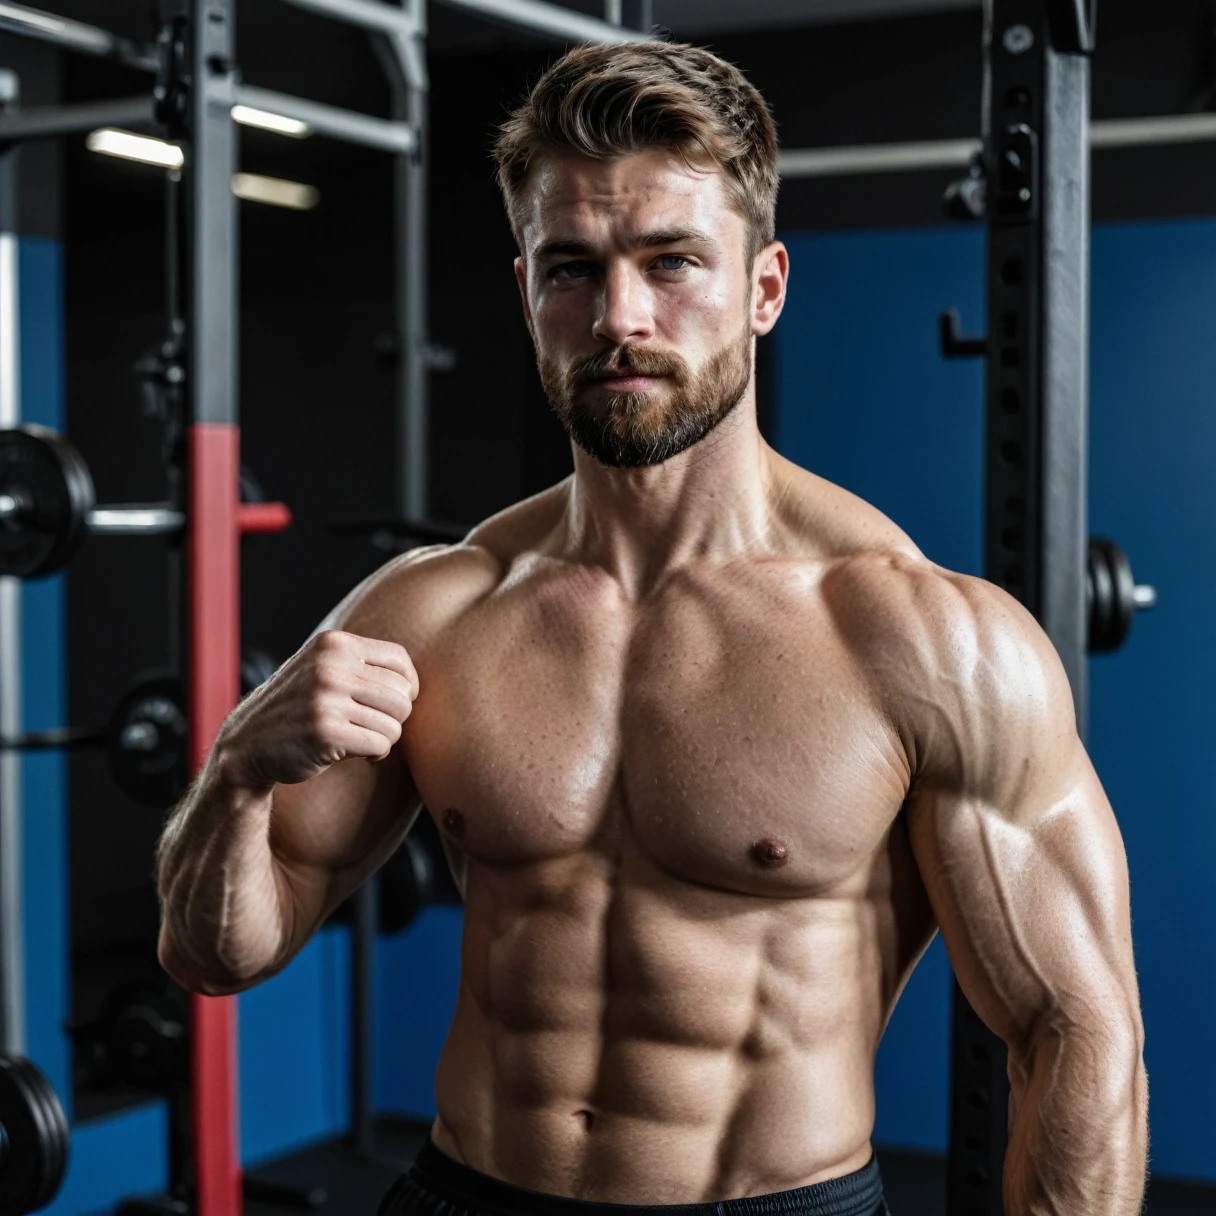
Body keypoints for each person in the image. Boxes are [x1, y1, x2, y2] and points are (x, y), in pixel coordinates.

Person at [155, 40, 1148, 1216]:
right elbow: (216, 955)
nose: (618, 315)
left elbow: (1076, 1030)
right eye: (570, 268)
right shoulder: (440, 608)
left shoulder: (919, 637)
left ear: (764, 288)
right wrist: (234, 774)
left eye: (671, 261)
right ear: (526, 288)